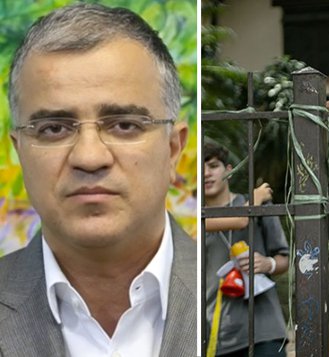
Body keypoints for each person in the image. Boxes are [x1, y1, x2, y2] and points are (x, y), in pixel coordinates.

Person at [0, 4, 194, 356]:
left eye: (124, 125)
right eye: (54, 129)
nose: (89, 157)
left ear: (173, 149)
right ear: (21, 151)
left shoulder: (230, 294)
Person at [203, 142, 289, 357]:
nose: (206, 173)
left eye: (213, 166)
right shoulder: (190, 217)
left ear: (229, 170)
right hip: (215, 333)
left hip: (263, 330)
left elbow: (285, 258)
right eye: (199, 169)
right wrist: (254, 200)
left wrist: (266, 263)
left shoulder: (260, 207)